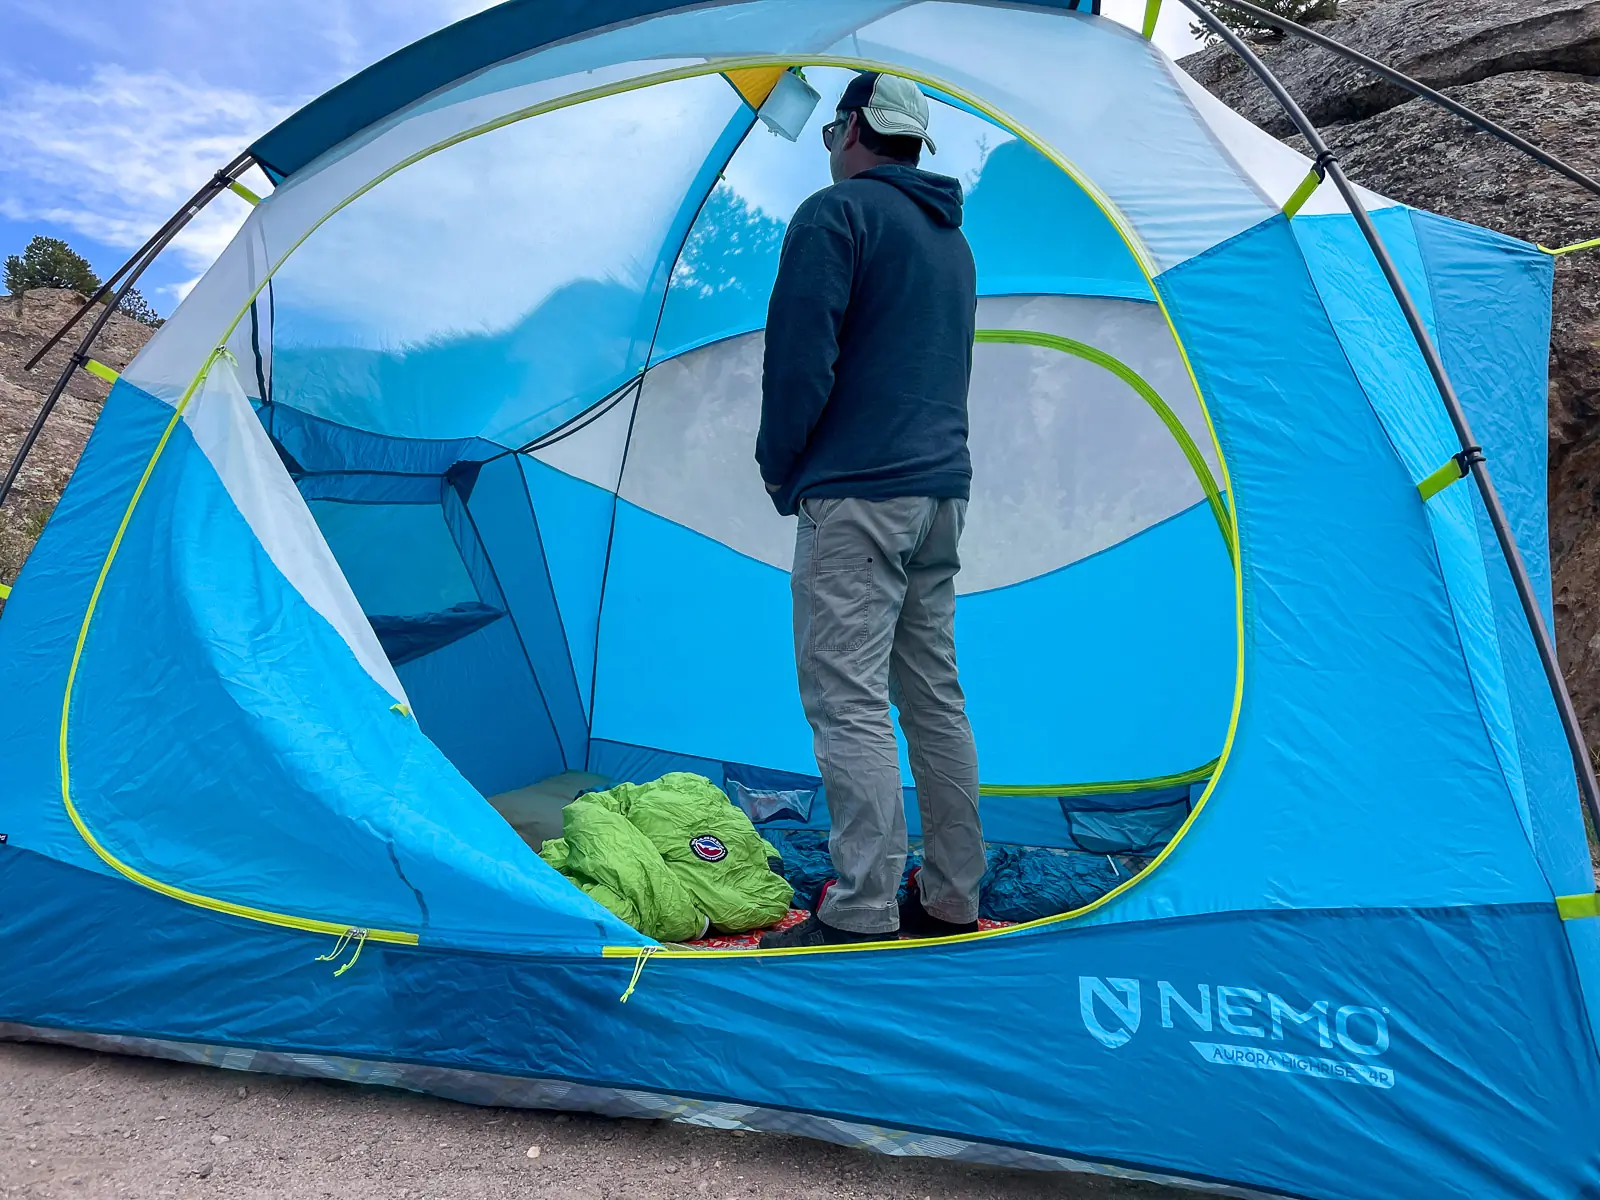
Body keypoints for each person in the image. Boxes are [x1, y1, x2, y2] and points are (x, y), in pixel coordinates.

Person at [755, 72, 984, 948]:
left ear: (853, 128)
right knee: (934, 700)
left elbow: (798, 364)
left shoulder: (835, 215)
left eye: (830, 133)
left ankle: (860, 911)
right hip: (939, 497)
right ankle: (953, 897)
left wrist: (784, 469)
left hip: (857, 495)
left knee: (846, 701)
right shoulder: (952, 244)